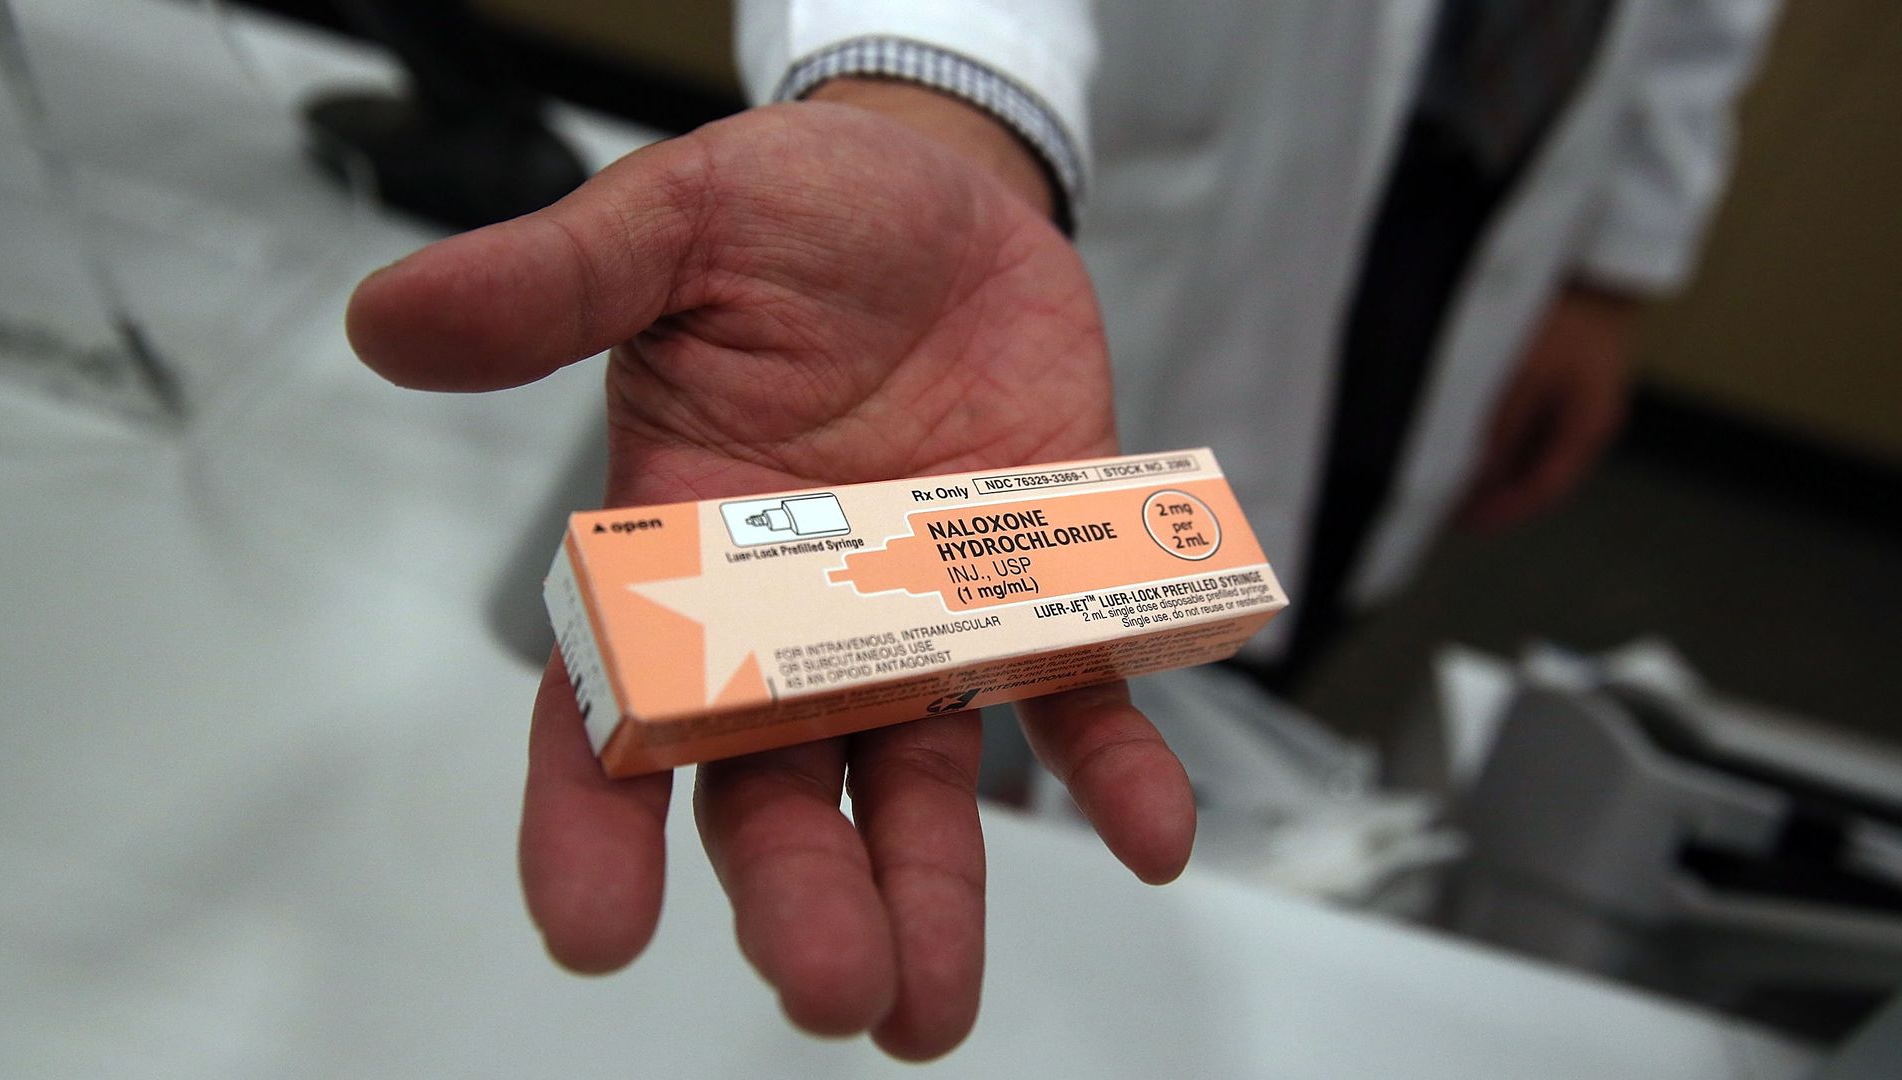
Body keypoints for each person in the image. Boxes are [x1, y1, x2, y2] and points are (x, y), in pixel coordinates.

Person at [345, 0, 1778, 1060]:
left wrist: (1618, 252)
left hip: (1505, 175)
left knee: (1262, 619)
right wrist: (938, 94)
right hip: (1124, 169)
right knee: (1005, 774)